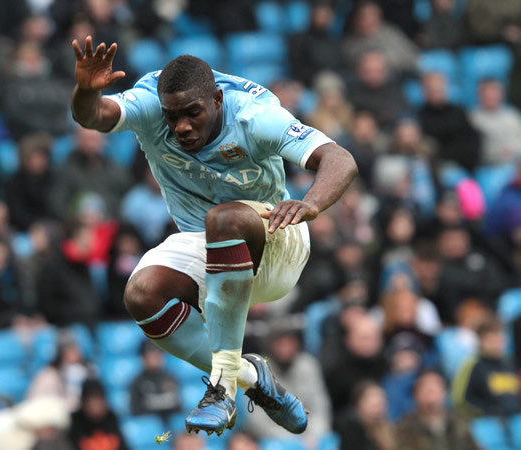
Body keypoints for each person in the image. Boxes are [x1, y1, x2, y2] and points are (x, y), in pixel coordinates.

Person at [70, 36, 358, 435]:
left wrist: (310, 204)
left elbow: (339, 159)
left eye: (193, 113)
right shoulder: (152, 102)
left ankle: (221, 390)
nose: (182, 126)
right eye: (173, 117)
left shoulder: (255, 116)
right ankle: (252, 379)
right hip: (210, 247)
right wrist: (86, 91)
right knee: (142, 294)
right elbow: (95, 116)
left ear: (218, 100)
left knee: (223, 219)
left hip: (277, 239)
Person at [452, 318, 521, 417]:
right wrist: (486, 411)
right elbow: (460, 399)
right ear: (481, 341)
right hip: (486, 421)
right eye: (491, 339)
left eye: (499, 338)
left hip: (515, 419)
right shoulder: (473, 365)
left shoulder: (510, 364)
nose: (496, 343)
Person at [397, 369, 479, 450]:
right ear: (416, 394)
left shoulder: (459, 422)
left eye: (436, 387)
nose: (431, 392)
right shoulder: (406, 427)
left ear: (444, 392)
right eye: (426, 388)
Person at [469, 78, 521, 166]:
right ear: (479, 95)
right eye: (487, 92)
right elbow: (474, 150)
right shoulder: (473, 119)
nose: (491, 96)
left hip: (516, 163)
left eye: (494, 91)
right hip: (491, 166)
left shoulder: (513, 115)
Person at [68, 378, 128, 450]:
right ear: (84, 403)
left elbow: (123, 446)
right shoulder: (76, 421)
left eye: (99, 401)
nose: (96, 406)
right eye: (91, 401)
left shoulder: (112, 418)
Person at [129, 341, 181, 420]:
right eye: (151, 354)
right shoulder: (137, 383)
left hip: (172, 426)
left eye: (158, 354)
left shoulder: (171, 378)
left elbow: (178, 409)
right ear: (143, 357)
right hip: (149, 428)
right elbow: (136, 412)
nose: (155, 358)